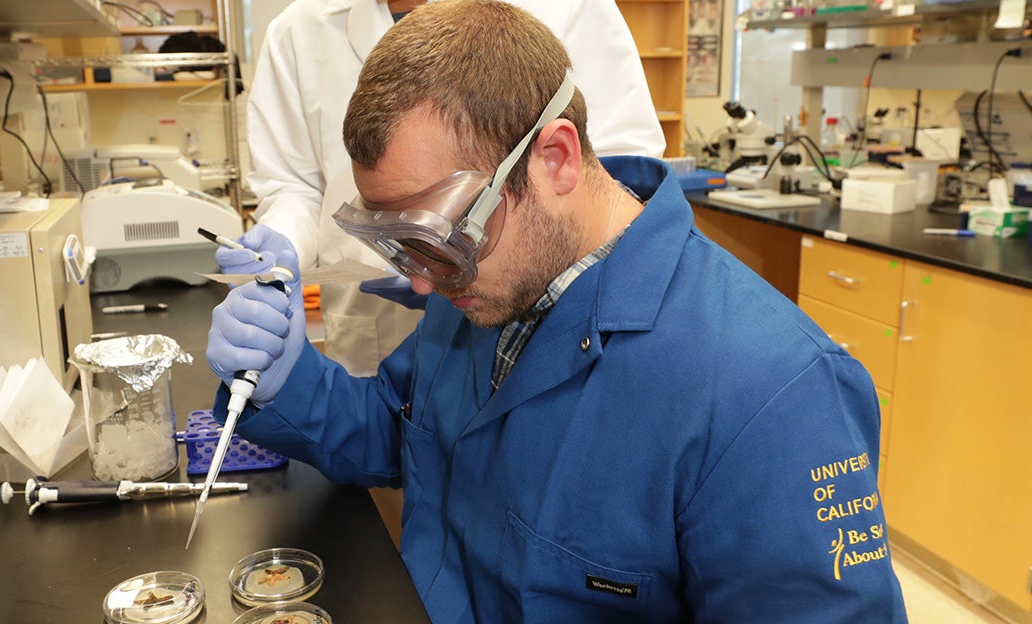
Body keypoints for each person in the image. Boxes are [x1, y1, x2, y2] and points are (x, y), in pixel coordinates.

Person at [205, 0, 909, 621]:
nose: (421, 283)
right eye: (399, 245)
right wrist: (285, 380)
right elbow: (404, 432)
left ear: (557, 159)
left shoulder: (775, 399)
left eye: (439, 237)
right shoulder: (487, 279)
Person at [232, 0, 664, 377]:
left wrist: (472, 246)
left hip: (541, 322)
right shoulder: (298, 28)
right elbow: (295, 184)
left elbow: (608, 172)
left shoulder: (571, 7)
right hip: (372, 329)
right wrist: (281, 244)